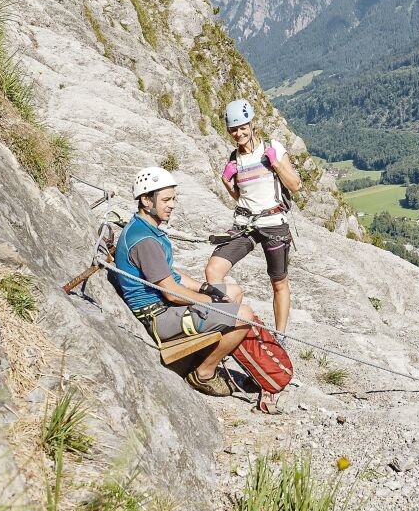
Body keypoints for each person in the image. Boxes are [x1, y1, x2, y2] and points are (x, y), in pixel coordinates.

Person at [109, 165, 255, 398]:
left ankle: (199, 354)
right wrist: (209, 300)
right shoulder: (145, 240)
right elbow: (171, 292)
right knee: (244, 315)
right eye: (166, 199)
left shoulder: (147, 229)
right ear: (147, 200)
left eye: (173, 199)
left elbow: (171, 275)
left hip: (165, 307)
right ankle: (203, 373)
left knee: (234, 291)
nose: (172, 205)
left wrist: (205, 288)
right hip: (158, 316)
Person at [204, 99, 302, 339]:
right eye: (234, 129)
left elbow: (296, 185)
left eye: (243, 127)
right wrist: (227, 184)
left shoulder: (273, 148)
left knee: (278, 282)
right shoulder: (233, 158)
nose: (239, 133)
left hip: (273, 224)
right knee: (213, 270)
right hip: (245, 225)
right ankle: (229, 320)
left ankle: (280, 336)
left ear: (252, 125)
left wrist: (275, 163)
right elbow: (240, 196)